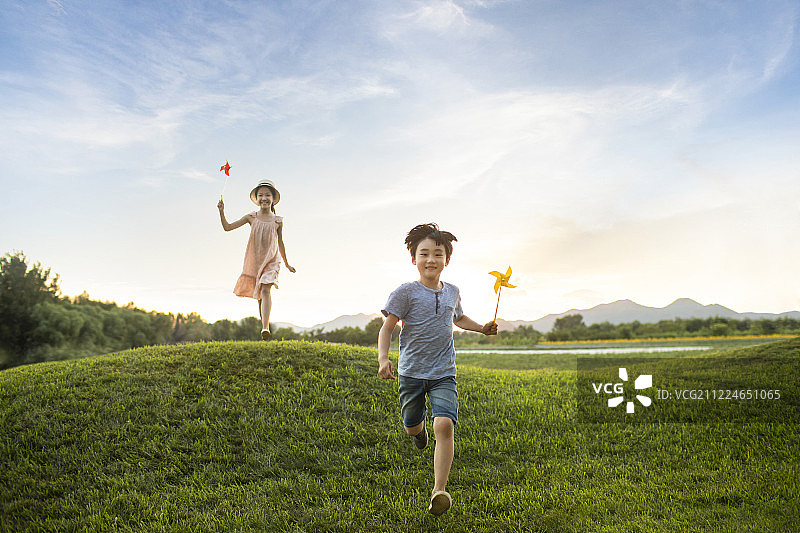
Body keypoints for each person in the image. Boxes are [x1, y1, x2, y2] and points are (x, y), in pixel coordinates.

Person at [377, 223, 498, 516]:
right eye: (424, 254)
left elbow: (459, 318)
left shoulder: (452, 292)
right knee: (411, 425)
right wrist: (384, 358)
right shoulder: (405, 293)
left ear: (447, 259)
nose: (431, 259)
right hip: (411, 373)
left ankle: (439, 491)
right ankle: (418, 434)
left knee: (444, 425)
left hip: (444, 371)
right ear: (414, 258)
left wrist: (482, 328)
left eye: (438, 254)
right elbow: (388, 327)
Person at [217, 179, 296, 340]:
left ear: (273, 199)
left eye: (267, 195)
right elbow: (227, 227)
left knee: (266, 289)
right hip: (255, 261)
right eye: (261, 195)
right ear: (256, 199)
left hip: (272, 260)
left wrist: (287, 263)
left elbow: (280, 243)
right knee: (260, 295)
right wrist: (221, 211)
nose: (264, 198)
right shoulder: (251, 217)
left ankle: (265, 328)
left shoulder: (277, 221)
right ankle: (264, 328)